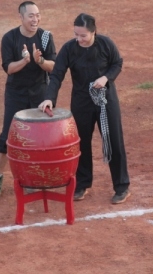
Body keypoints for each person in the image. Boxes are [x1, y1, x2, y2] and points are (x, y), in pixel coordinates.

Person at [39, 13, 131, 204]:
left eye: (83, 36)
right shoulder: (69, 49)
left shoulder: (106, 44)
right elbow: (57, 75)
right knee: (81, 143)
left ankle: (122, 186)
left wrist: (106, 78)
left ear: (93, 32)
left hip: (106, 102)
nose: (78, 39)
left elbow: (117, 63)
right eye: (76, 35)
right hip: (81, 102)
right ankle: (82, 184)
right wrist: (49, 98)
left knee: (114, 140)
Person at [0, 1, 56, 199]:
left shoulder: (45, 37)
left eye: (37, 15)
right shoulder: (10, 38)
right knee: (8, 136)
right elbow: (8, 68)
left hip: (40, 93)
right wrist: (25, 61)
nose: (35, 19)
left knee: (39, 138)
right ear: (21, 17)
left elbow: (54, 67)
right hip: (16, 93)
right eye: (31, 16)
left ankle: (32, 179)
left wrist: (39, 60)